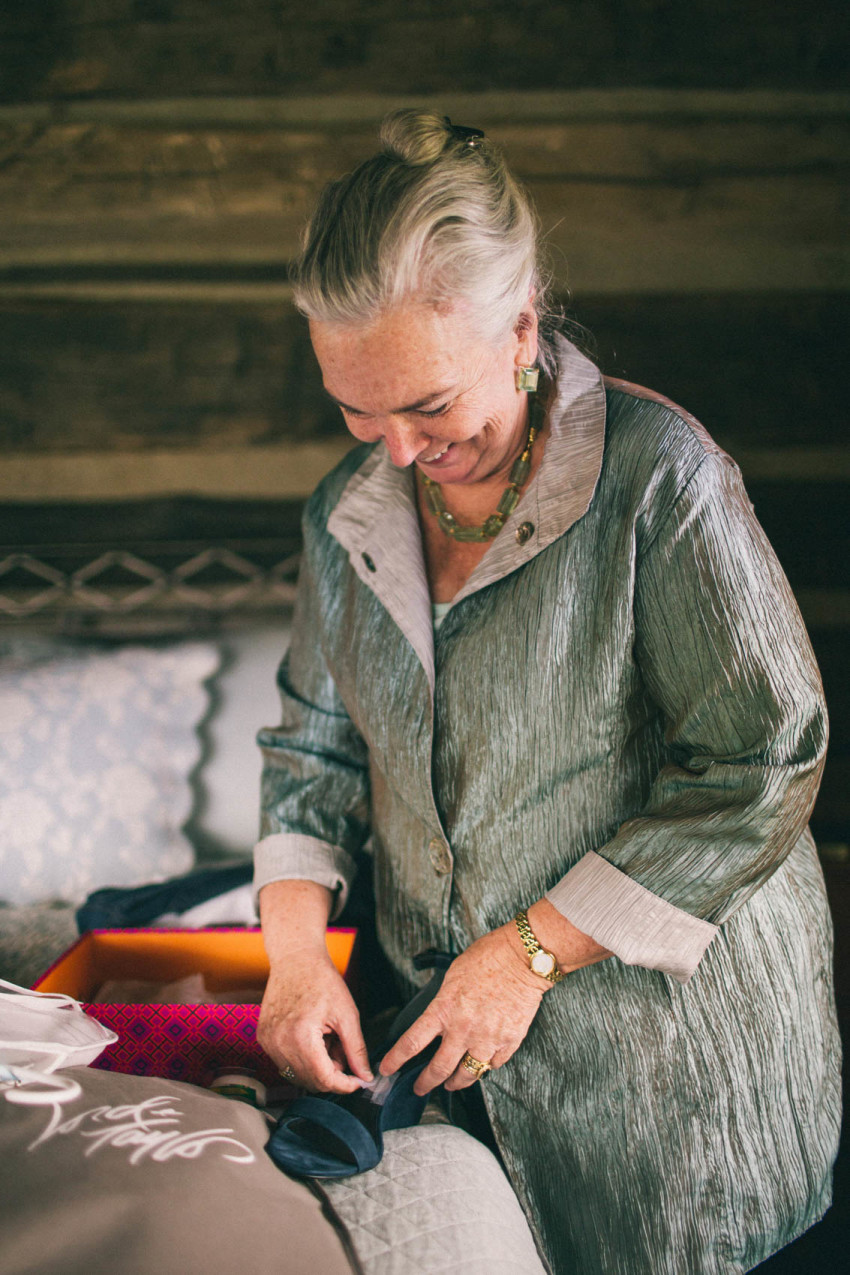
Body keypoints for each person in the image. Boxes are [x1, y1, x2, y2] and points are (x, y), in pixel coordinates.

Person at [253, 109, 841, 1274]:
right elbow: (313, 748)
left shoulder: (656, 479)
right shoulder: (348, 513)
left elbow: (766, 755)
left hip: (671, 1074)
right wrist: (294, 957)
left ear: (520, 330)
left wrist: (526, 953)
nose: (398, 451)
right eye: (356, 411)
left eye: (428, 406)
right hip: (460, 1073)